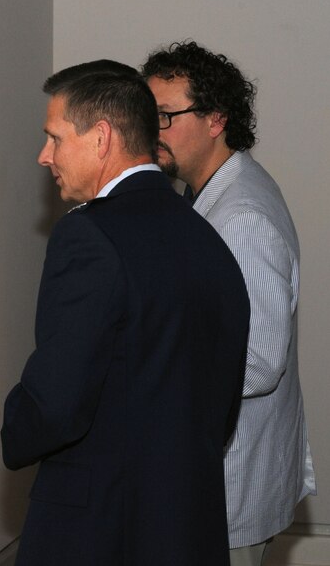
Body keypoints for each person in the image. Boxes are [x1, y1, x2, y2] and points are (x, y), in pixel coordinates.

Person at [0, 60, 251, 565]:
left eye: (55, 137)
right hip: (186, 526)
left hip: (102, 530)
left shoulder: (87, 235)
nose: (43, 156)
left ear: (100, 138)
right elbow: (219, 406)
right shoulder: (206, 235)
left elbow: (56, 403)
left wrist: (14, 422)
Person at [142, 41, 316, 566]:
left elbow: (260, 365)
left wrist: (155, 369)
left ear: (216, 119)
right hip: (214, 477)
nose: (154, 131)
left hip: (230, 483)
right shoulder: (203, 194)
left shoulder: (240, 216)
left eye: (167, 117)